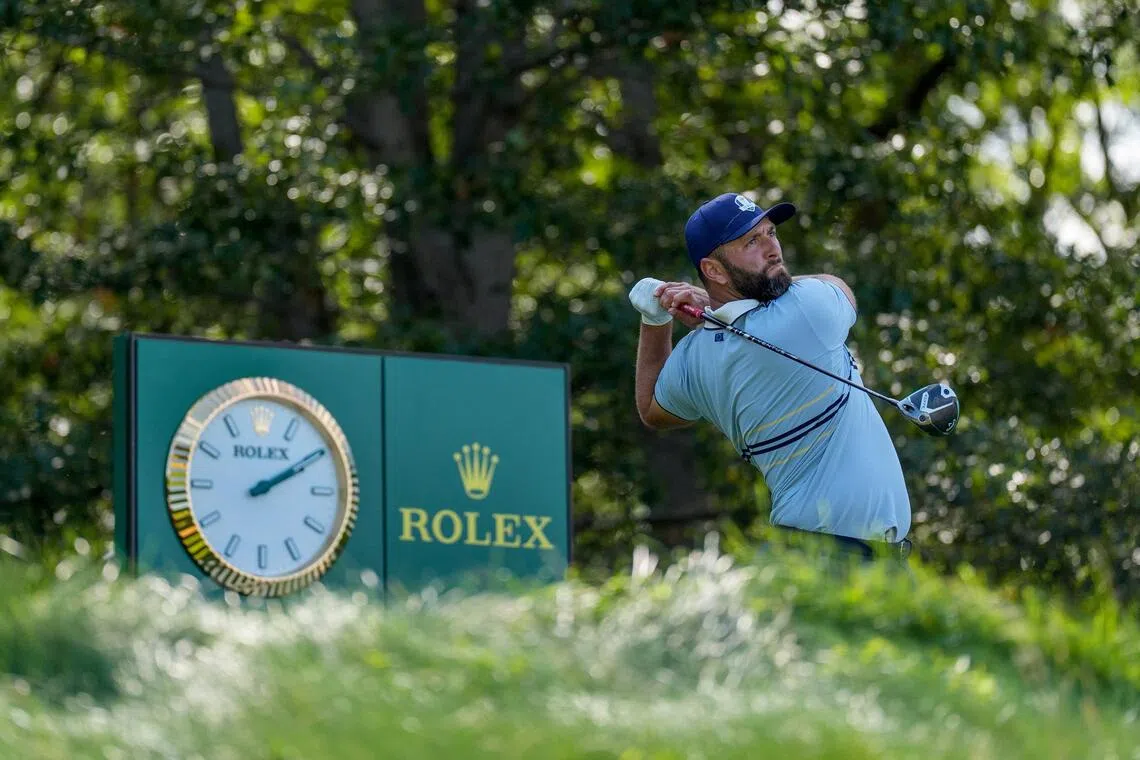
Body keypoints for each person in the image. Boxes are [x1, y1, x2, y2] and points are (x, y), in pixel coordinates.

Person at [629, 192, 912, 562]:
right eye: (752, 242)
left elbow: (651, 408)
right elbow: (838, 285)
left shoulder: (694, 357)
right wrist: (712, 304)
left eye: (771, 233)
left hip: (812, 547)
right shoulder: (807, 310)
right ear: (713, 270)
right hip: (838, 554)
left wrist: (654, 319)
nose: (773, 249)